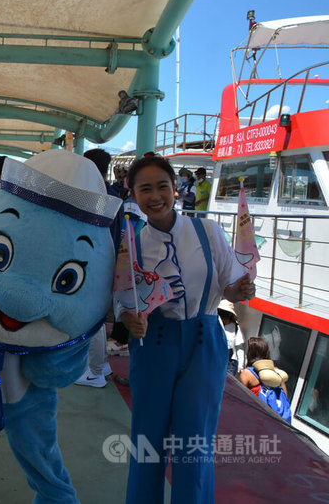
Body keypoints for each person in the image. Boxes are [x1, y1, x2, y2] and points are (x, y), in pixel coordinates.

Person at [120, 156, 254, 504]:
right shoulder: (130, 243)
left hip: (203, 341)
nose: (155, 196)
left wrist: (239, 291)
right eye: (144, 188)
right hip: (153, 343)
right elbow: (122, 298)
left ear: (175, 189)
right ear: (132, 193)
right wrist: (127, 318)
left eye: (162, 186)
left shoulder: (207, 231)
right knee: (147, 442)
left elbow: (228, 284)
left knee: (195, 444)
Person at [75, 148, 123, 387]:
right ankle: (101, 364)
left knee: (90, 319)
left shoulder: (94, 195)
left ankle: (94, 373)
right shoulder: (114, 194)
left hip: (93, 263)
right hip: (109, 262)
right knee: (99, 320)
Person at [218, 299, 244, 374]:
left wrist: (240, 364)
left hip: (230, 362)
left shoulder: (235, 327)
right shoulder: (216, 323)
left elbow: (239, 347)